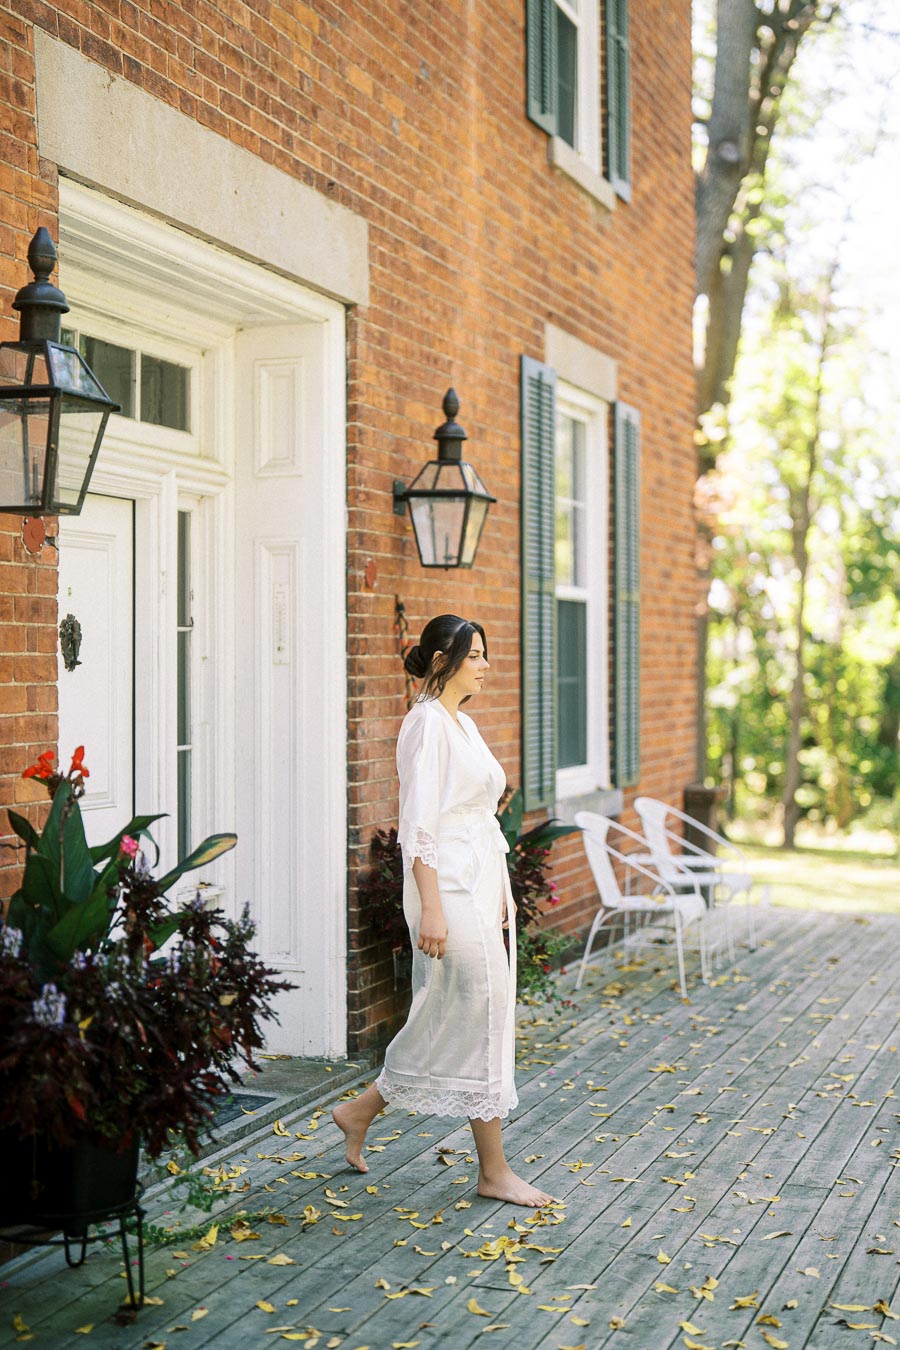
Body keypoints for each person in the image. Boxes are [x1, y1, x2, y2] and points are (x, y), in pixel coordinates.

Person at [333, 615, 554, 1207]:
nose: (485, 665)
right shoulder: (424, 725)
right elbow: (418, 826)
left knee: (466, 1009)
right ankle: (494, 1171)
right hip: (447, 886)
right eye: (475, 655)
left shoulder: (465, 722)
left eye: (485, 654)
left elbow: (482, 815)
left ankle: (359, 1110)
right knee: (477, 1008)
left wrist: (502, 893)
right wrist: (430, 907)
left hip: (481, 879)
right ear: (441, 662)